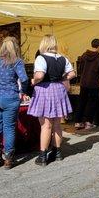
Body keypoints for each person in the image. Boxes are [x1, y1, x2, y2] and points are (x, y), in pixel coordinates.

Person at [29, 34, 76, 166]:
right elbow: (72, 73)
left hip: (45, 90)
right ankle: (57, 152)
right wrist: (61, 78)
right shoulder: (62, 58)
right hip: (58, 90)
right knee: (56, 124)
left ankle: (43, 156)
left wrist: (34, 81)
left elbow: (40, 74)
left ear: (44, 44)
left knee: (46, 125)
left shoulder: (41, 57)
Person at [0, 37, 29, 169]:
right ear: (15, 47)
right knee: (9, 128)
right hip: (10, 98)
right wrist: (23, 91)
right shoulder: (16, 61)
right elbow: (24, 79)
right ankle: (9, 160)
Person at [74, 39, 99, 130]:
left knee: (81, 101)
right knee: (91, 103)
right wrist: (98, 79)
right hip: (94, 83)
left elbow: (80, 69)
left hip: (83, 82)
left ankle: (78, 122)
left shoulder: (83, 56)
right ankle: (88, 122)